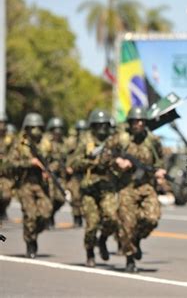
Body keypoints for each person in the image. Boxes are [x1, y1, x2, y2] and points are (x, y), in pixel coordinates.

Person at [110, 106, 166, 273]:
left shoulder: (152, 140)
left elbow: (160, 160)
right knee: (127, 225)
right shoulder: (121, 139)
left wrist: (160, 171)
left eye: (142, 121)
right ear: (130, 122)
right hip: (126, 187)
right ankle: (129, 258)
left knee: (152, 218)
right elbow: (105, 155)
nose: (139, 124)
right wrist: (118, 162)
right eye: (136, 121)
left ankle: (137, 239)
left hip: (146, 186)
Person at [67, 109, 118, 267]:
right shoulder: (85, 141)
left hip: (107, 187)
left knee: (112, 218)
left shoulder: (113, 141)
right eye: (99, 125)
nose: (102, 128)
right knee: (92, 224)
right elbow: (74, 163)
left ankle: (102, 240)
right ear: (93, 126)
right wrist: (93, 162)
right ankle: (90, 253)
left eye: (105, 125)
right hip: (89, 189)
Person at [7, 112, 53, 258]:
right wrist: (29, 163)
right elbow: (10, 164)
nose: (36, 131)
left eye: (38, 127)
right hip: (25, 183)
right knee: (30, 215)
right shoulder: (20, 145)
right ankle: (30, 243)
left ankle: (33, 233)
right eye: (32, 127)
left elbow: (56, 160)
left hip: (41, 184)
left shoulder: (46, 145)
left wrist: (49, 170)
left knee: (46, 213)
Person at [44, 117, 68, 228]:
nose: (58, 132)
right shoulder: (46, 142)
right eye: (55, 129)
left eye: (59, 129)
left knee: (61, 199)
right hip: (49, 174)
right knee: (50, 197)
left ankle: (52, 213)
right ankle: (48, 218)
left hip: (61, 175)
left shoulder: (64, 143)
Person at [65, 119, 88, 227]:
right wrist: (68, 167)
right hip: (74, 173)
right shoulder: (72, 143)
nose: (82, 133)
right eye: (80, 130)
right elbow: (66, 156)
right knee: (75, 196)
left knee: (85, 196)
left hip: (85, 172)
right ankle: (76, 218)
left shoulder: (88, 142)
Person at [0, 115, 15, 221]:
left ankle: (2, 210)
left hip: (5, 172)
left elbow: (14, 153)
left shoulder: (10, 138)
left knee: (6, 195)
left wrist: (5, 159)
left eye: (3, 123)